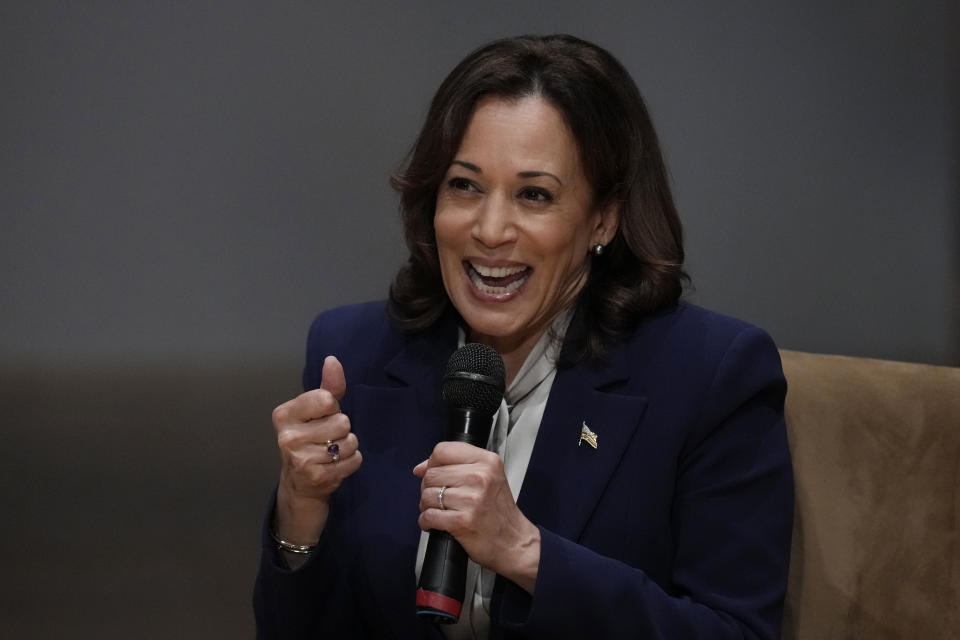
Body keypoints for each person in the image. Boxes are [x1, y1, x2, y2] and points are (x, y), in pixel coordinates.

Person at [254, 34, 793, 639]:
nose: (490, 230)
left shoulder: (709, 376)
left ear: (604, 219)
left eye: (534, 195)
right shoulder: (355, 354)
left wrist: (528, 553)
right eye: (465, 185)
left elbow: (736, 632)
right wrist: (300, 511)